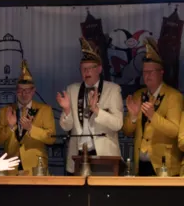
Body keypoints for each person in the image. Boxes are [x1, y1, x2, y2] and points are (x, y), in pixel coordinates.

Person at [57, 37, 123, 175]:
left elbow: (118, 124)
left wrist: (97, 111)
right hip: (78, 155)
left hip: (104, 155)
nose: (86, 72)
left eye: (90, 68)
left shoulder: (112, 90)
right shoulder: (72, 90)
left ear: (99, 69)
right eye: (83, 69)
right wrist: (67, 110)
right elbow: (66, 127)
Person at [123, 37, 183, 176]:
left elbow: (174, 131)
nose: (147, 75)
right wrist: (133, 117)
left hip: (164, 166)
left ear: (161, 72)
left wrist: (153, 116)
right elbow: (126, 131)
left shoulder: (173, 96)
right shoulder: (138, 95)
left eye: (151, 72)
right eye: (145, 72)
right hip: (141, 164)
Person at [0, 60, 56, 175]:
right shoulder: (6, 111)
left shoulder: (44, 110)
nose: (24, 94)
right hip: (11, 169)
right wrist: (10, 127)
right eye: (20, 90)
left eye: (27, 90)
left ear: (33, 91)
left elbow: (51, 138)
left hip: (36, 169)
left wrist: (31, 129)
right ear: (16, 91)